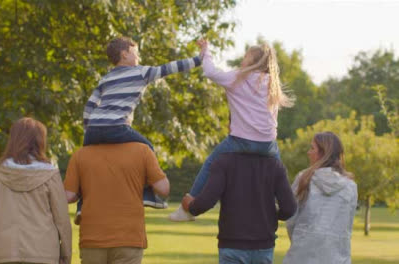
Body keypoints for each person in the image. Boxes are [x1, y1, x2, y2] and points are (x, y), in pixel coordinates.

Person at [170, 39, 295, 221]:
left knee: (211, 164)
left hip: (240, 141)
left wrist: (206, 50)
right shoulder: (272, 84)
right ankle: (278, 201)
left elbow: (210, 71)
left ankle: (188, 208)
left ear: (253, 61)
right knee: (278, 171)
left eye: (246, 56)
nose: (242, 60)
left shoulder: (238, 77)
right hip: (267, 145)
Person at [78, 36, 201, 215]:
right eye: (136, 53)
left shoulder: (105, 78)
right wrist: (199, 59)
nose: (138, 58)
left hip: (94, 128)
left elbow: (89, 105)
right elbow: (170, 68)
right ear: (124, 54)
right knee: (146, 148)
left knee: (86, 167)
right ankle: (149, 194)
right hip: (116, 126)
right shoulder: (140, 72)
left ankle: (82, 205)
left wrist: (89, 129)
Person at [0, 117, 72, 264]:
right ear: (40, 141)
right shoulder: (50, 174)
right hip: (43, 254)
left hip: (1, 252)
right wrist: (66, 256)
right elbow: (62, 219)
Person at [64, 142, 170, 264]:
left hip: (92, 238)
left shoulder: (80, 155)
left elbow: (68, 196)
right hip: (129, 238)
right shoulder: (143, 150)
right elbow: (163, 189)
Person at [182, 152, 297, 264]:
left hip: (232, 245)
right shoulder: (275, 165)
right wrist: (273, 214)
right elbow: (289, 208)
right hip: (263, 246)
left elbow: (206, 202)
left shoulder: (223, 162)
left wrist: (190, 206)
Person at [283, 132, 357, 264]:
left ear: (323, 153)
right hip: (336, 258)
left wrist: (302, 240)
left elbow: (291, 219)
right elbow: (346, 229)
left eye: (312, 148)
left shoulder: (304, 179)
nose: (308, 152)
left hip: (301, 256)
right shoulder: (350, 187)